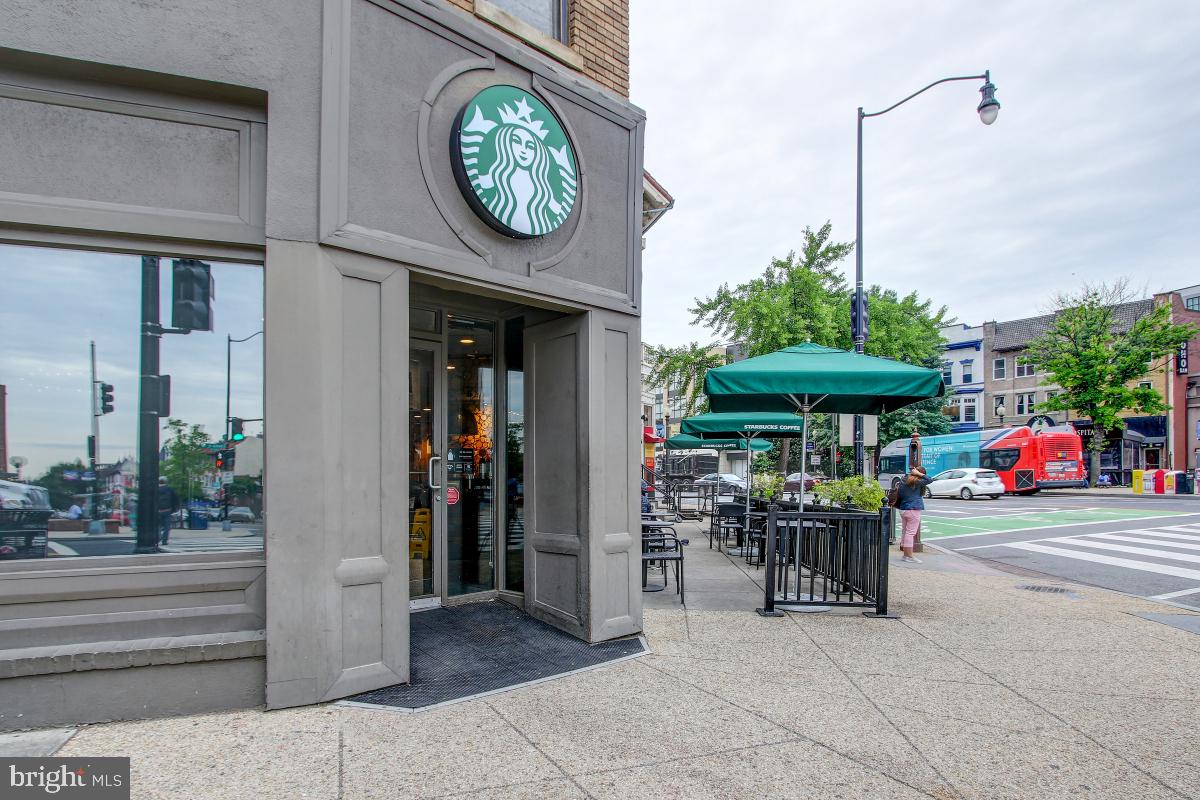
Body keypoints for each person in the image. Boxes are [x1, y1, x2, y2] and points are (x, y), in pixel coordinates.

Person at [896, 466, 931, 563]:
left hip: (903, 509)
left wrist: (914, 472)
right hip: (913, 509)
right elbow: (929, 479)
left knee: (905, 531)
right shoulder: (916, 482)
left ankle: (905, 555)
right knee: (910, 533)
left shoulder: (904, 480)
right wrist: (919, 474)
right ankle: (909, 556)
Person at [156, 478, 179, 545]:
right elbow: (176, 499)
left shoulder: (155, 490)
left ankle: (158, 538)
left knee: (158, 526)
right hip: (167, 510)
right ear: (166, 482)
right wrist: (174, 509)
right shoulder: (170, 489)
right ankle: (164, 540)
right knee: (167, 527)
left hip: (158, 511)